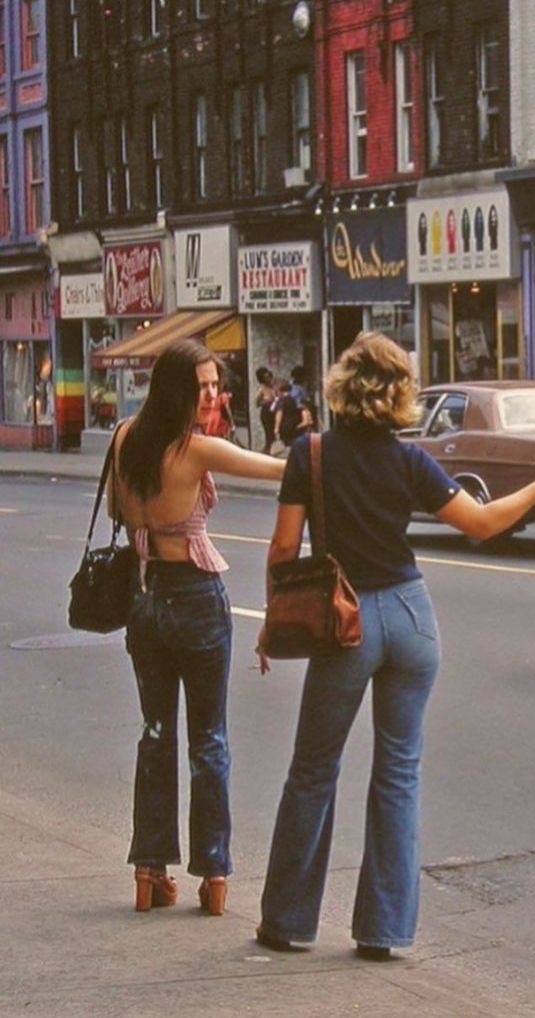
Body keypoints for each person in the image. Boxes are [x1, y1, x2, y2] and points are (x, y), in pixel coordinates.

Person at [254, 332, 535, 960]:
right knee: (399, 775)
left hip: (346, 622)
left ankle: (288, 922)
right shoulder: (410, 462)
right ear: (401, 394)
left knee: (313, 771)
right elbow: (483, 523)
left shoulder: (310, 454)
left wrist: (273, 621)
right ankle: (384, 932)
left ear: (342, 384)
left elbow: (282, 549)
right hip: (411, 615)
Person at [110, 339, 286, 916]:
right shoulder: (195, 449)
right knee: (209, 737)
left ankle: (148, 870)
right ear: (179, 390)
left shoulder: (124, 439)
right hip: (195, 596)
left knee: (155, 732)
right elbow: (275, 469)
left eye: (216, 385)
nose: (213, 394)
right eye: (204, 387)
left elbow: (118, 511)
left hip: (146, 599)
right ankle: (213, 876)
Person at [273, 380, 312, 451]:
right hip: (294, 425)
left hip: (284, 427)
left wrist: (276, 428)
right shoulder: (293, 400)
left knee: (285, 445)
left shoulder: (282, 401)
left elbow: (279, 414)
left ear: (279, 391)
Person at [255, 367, 277, 454]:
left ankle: (272, 451)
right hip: (266, 414)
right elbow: (257, 404)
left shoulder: (274, 387)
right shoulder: (262, 390)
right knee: (269, 434)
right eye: (266, 378)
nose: (268, 379)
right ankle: (267, 452)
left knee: (274, 434)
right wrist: (266, 401)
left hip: (275, 413)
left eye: (269, 377)